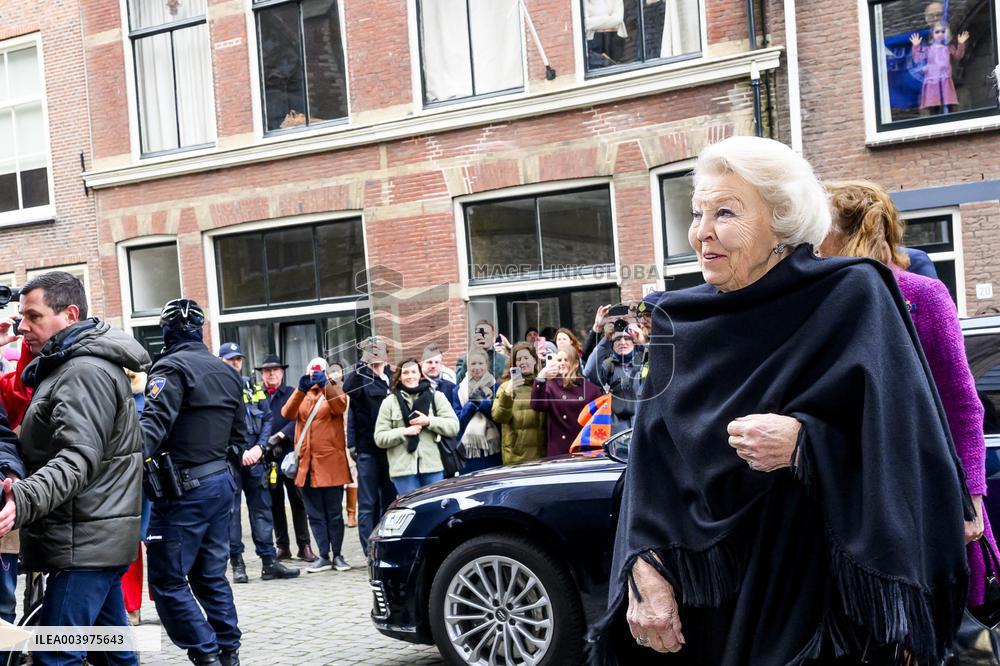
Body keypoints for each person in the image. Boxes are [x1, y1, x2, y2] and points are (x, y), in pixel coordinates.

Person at [591, 137, 971, 664]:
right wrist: (642, 570)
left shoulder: (852, 295)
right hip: (704, 612)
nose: (702, 232)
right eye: (698, 212)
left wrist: (807, 445)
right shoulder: (682, 320)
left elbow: (911, 446)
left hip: (816, 601)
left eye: (725, 212)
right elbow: (648, 468)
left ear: (784, 218)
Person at [823, 179, 997, 607]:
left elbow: (961, 404)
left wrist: (969, 498)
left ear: (840, 232)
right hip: (849, 500)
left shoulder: (921, 295)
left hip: (920, 491)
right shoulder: (818, 299)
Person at [0, 271, 149, 666]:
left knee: (56, 654)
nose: (22, 326)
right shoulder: (70, 366)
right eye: (21, 316)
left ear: (69, 314)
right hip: (91, 536)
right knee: (113, 652)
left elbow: (77, 457)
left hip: (84, 543)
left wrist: (22, 498)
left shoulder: (82, 372)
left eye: (34, 316)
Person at [139, 299, 245, 666]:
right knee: (210, 575)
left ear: (166, 330)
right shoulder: (228, 371)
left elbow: (151, 429)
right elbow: (241, 435)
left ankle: (207, 655)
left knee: (168, 582)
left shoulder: (169, 367)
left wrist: (116, 456)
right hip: (220, 484)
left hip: (182, 491)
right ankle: (228, 652)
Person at [217, 342, 298, 583]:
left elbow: (268, 419)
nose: (235, 364)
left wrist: (260, 447)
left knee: (262, 510)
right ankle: (238, 564)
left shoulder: (253, 388)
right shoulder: (216, 389)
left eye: (238, 360)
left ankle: (268, 562)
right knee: (231, 514)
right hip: (231, 461)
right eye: (230, 360)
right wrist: (238, 453)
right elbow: (216, 427)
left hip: (256, 459)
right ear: (221, 361)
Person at [282, 358, 352, 573]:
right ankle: (323, 554)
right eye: (312, 370)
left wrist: (325, 385)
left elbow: (340, 407)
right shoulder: (302, 394)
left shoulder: (333, 390)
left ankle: (338, 554)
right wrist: (300, 391)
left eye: (319, 370)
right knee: (315, 514)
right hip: (307, 463)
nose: (315, 374)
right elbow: (287, 413)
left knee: (333, 512)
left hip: (330, 463)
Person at [258, 354, 316, 562]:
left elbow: (301, 417)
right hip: (267, 457)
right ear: (262, 374)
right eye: (267, 370)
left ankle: (304, 545)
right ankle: (282, 546)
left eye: (275, 370)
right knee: (274, 503)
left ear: (282, 372)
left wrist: (281, 435)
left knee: (297, 501)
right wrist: (264, 443)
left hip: (290, 455)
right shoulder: (258, 395)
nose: (271, 373)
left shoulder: (293, 392)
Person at [343, 336, 396, 557]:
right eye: (372, 351)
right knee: (367, 503)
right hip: (368, 450)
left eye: (379, 351)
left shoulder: (392, 378)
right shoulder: (360, 378)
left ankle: (389, 546)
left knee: (390, 500)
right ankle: (369, 550)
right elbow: (347, 388)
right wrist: (363, 362)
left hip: (392, 449)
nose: (376, 355)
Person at [373, 359, 460, 494]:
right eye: (406, 373)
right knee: (412, 511)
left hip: (433, 467)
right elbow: (379, 437)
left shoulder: (436, 397)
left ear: (420, 375)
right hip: (403, 471)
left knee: (435, 510)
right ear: (399, 377)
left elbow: (454, 426)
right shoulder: (389, 402)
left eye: (414, 372)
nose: (410, 376)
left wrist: (429, 421)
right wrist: (404, 431)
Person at [530, 349, 602, 457]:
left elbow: (598, 421)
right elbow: (537, 405)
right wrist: (541, 378)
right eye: (559, 360)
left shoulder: (591, 390)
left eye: (566, 360)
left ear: (576, 364)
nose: (562, 363)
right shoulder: (551, 386)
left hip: (584, 448)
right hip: (559, 449)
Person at [492, 342, 547, 465]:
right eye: (519, 359)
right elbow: (498, 417)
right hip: (515, 459)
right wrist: (508, 393)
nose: (523, 362)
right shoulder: (505, 387)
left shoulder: (542, 385)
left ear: (534, 360)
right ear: (514, 364)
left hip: (542, 457)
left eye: (526, 358)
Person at [583, 330, 645, 433]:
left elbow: (663, 364)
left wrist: (642, 341)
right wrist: (605, 340)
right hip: (617, 434)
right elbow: (589, 372)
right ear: (611, 344)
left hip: (643, 429)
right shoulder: (608, 366)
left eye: (627, 338)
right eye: (617, 339)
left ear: (634, 341)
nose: (622, 342)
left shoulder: (645, 363)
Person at [453, 348, 501, 473]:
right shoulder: (458, 390)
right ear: (467, 366)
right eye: (473, 364)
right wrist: (471, 404)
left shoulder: (496, 387)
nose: (477, 367)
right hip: (469, 453)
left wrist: (482, 403)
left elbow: (499, 417)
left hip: (493, 449)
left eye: (480, 363)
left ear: (487, 365)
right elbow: (458, 422)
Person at [326, 359, 357, 529]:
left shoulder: (349, 391)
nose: (335, 374)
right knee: (335, 478)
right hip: (330, 441)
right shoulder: (323, 391)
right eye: (332, 371)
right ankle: (335, 512)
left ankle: (351, 514)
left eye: (338, 370)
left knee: (352, 475)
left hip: (346, 438)